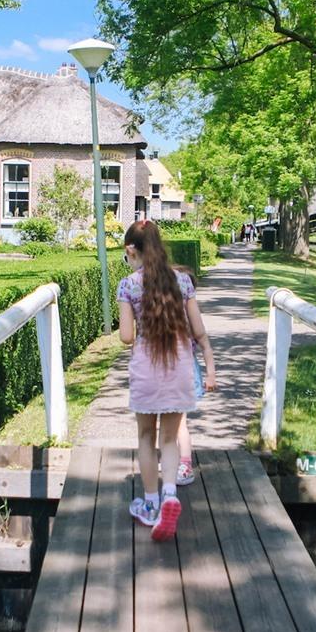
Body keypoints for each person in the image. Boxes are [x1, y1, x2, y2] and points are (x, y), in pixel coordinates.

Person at [117, 219, 216, 540]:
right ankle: (171, 494)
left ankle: (149, 503)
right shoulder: (183, 282)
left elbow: (126, 336)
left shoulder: (128, 285)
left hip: (147, 364)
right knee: (171, 438)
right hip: (179, 364)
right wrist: (211, 366)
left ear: (132, 249)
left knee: (147, 437)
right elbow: (198, 331)